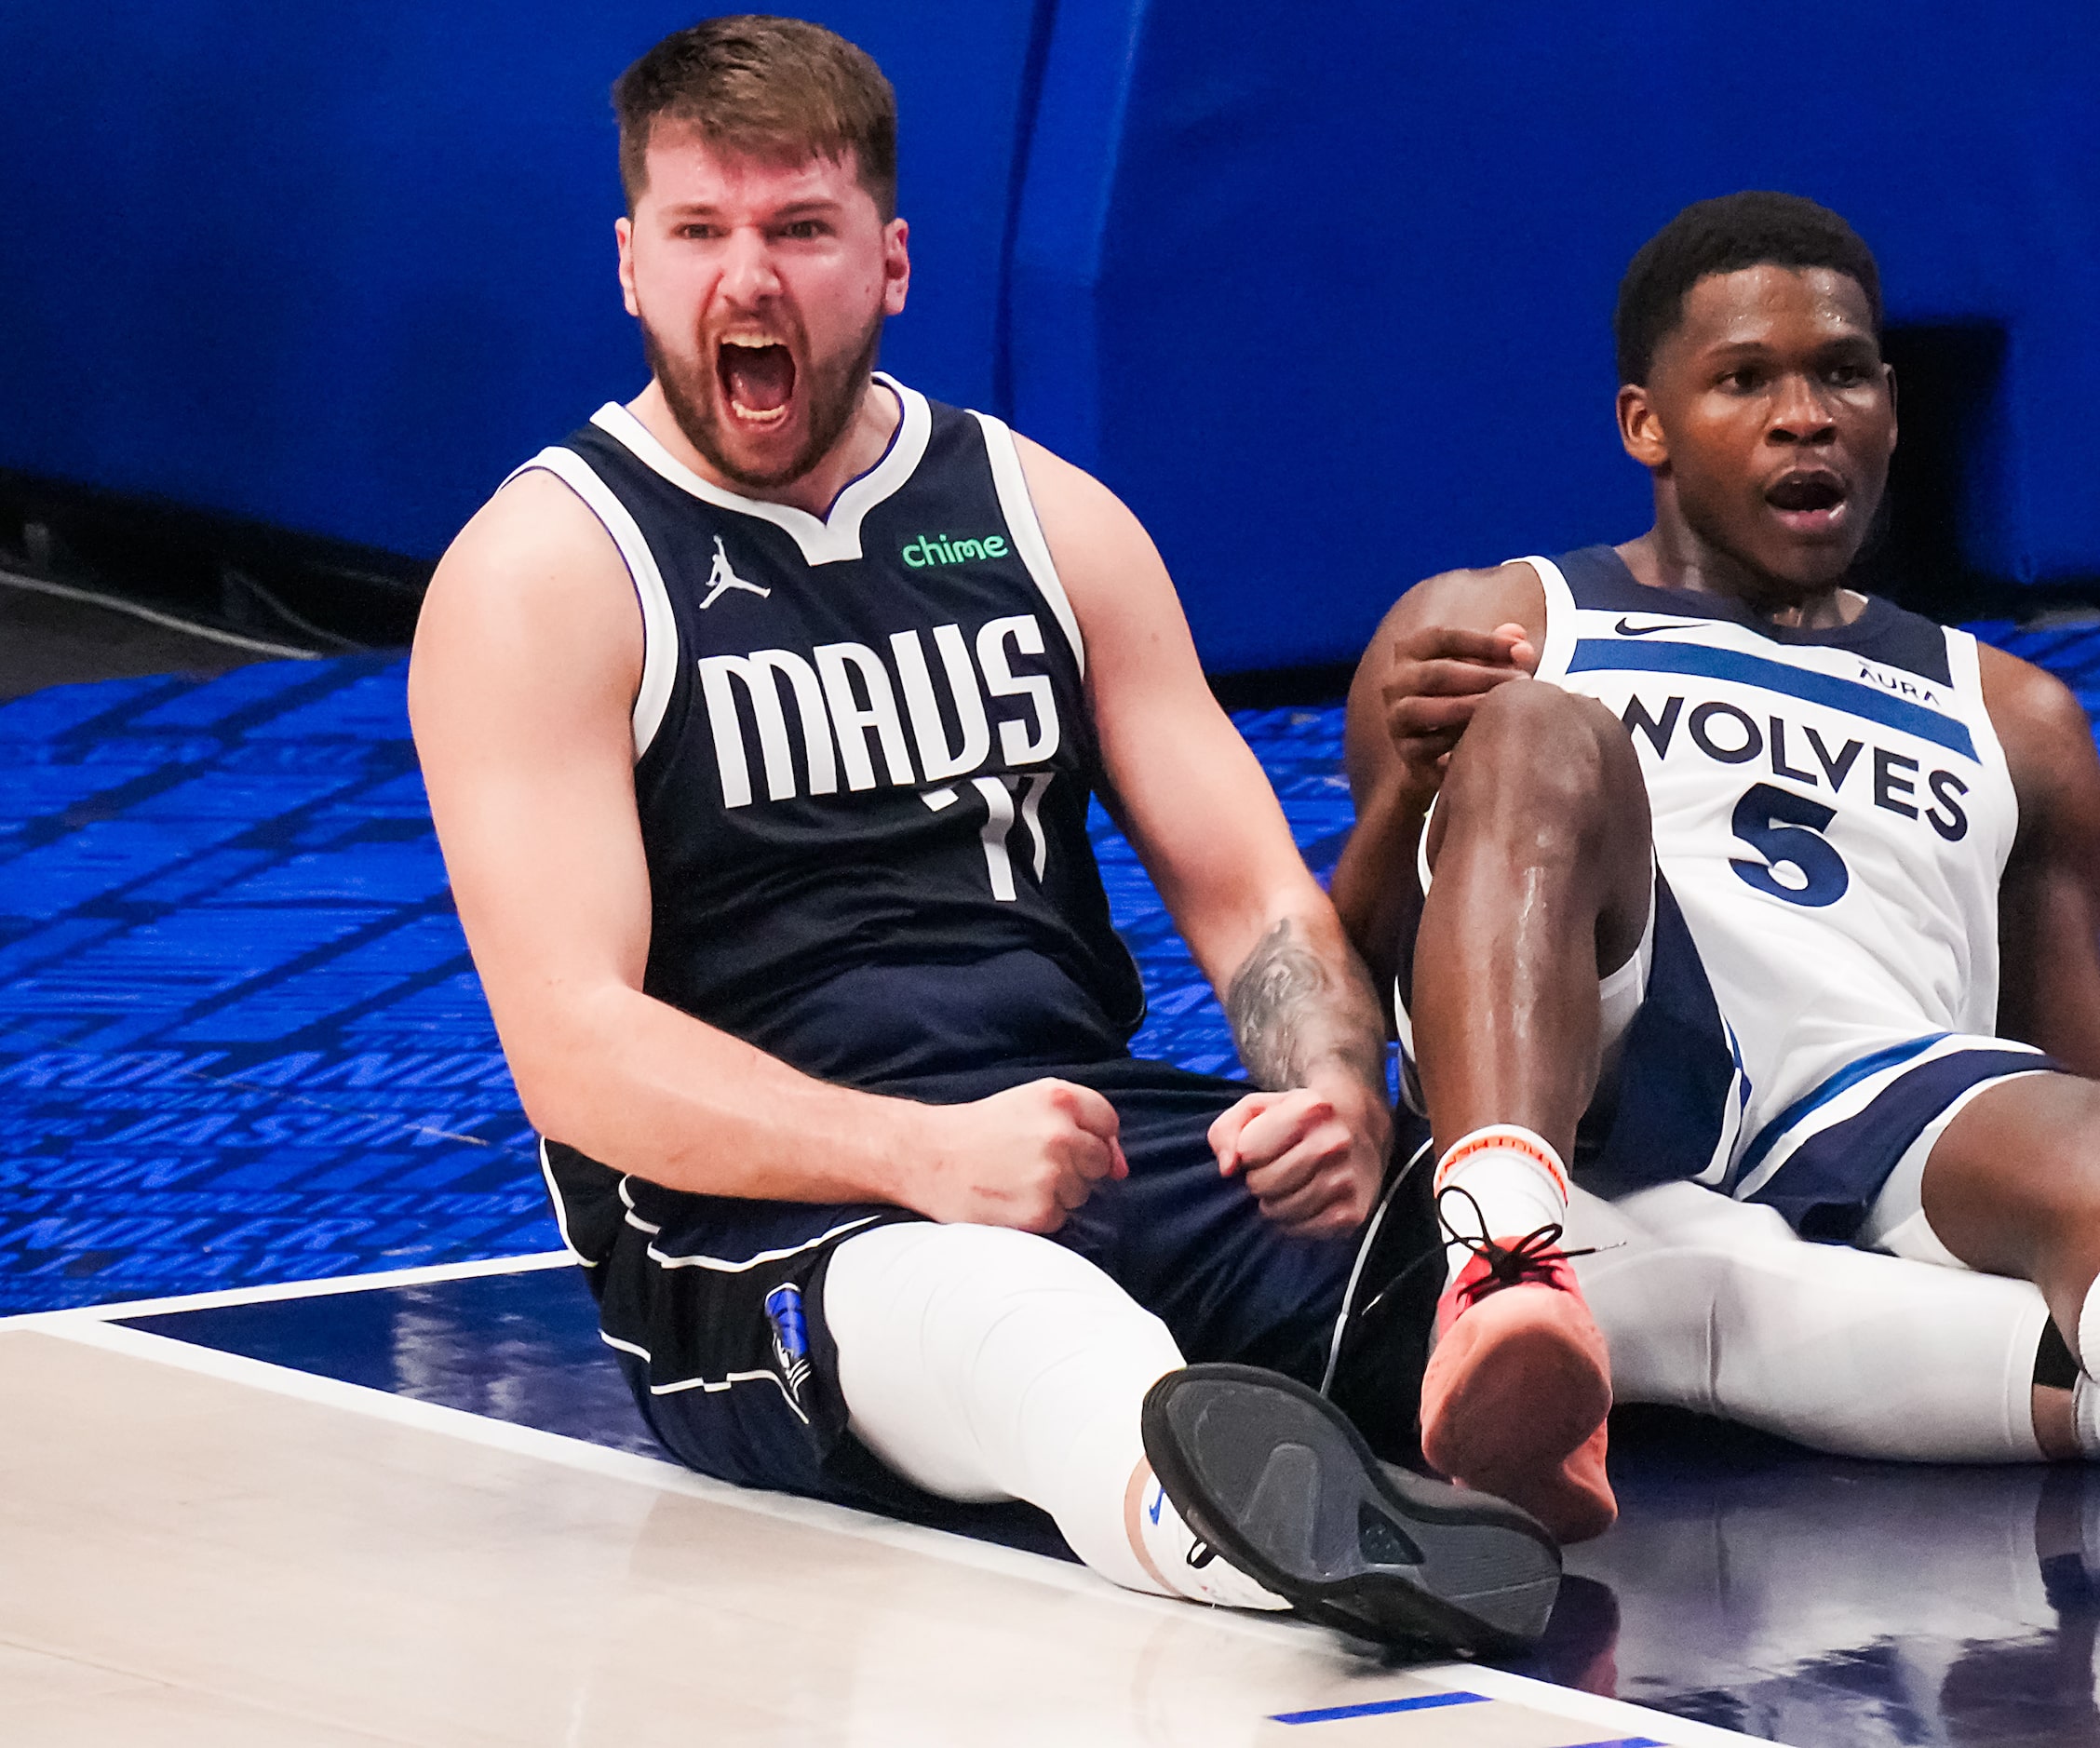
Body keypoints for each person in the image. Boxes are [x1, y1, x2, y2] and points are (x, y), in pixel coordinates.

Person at [408, 15, 1568, 1654]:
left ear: (888, 262)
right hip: (764, 1223)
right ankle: (1266, 1537)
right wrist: (915, 1156)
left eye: (798, 231)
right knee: (1024, 1322)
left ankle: (2058, 1353)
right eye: (700, 232)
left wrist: (1322, 1086)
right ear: (628, 265)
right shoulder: (543, 574)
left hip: (1076, 1132)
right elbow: (573, 1052)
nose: (748, 281)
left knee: (1589, 1257)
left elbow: (1254, 900)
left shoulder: (1043, 515)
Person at [1329, 190, 2100, 1571]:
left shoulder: (2016, 715)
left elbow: (2089, 1072)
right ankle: (1505, 1265)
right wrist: (1403, 786)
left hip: (1869, 1096)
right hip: (1614, 1049)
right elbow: (1362, 959)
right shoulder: (1497, 618)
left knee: (2099, 1135)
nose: (1805, 414)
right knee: (1540, 727)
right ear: (1647, 425)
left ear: (1891, 406)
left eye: (1844, 374)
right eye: (1745, 379)